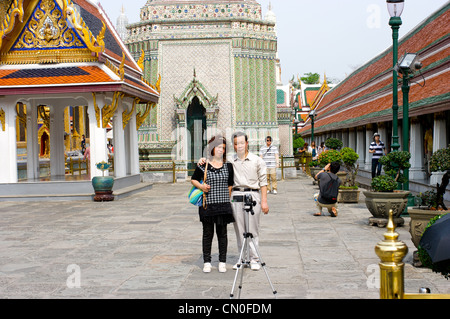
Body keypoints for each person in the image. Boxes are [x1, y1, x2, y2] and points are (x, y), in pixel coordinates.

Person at [198, 131, 269, 271]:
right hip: (236, 195)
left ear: (247, 143)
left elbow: (263, 183)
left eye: (242, 143)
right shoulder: (230, 160)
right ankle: (242, 258)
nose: (239, 146)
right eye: (236, 144)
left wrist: (264, 202)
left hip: (252, 194)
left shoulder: (257, 160)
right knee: (240, 229)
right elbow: (215, 161)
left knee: (253, 229)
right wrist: (203, 159)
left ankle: (254, 258)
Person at [191, 136, 235, 273]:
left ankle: (222, 261)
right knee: (207, 234)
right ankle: (207, 261)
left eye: (223, 148)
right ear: (212, 149)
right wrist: (202, 187)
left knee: (222, 234)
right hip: (207, 205)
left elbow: (230, 185)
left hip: (223, 205)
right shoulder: (204, 165)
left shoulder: (228, 166)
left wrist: (225, 199)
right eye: (218, 147)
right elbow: (193, 180)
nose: (221, 150)